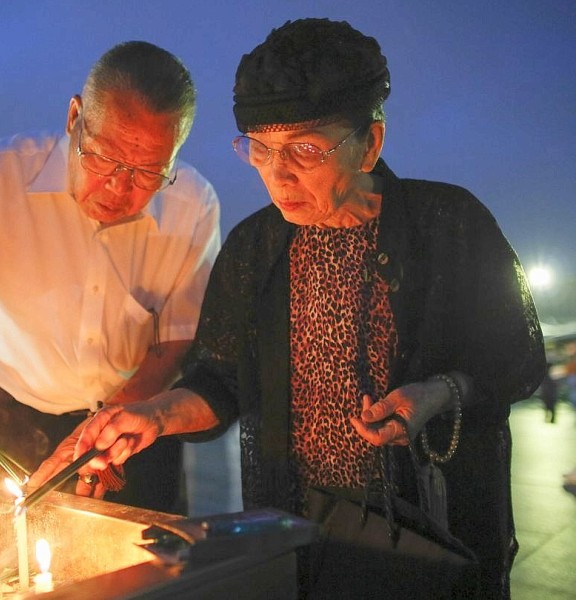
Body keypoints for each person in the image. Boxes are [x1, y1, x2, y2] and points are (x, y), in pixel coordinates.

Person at [67, 18, 546, 598]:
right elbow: (220, 383)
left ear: (370, 142)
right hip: (293, 530)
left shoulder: (447, 223)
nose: (278, 174)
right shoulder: (254, 248)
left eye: (306, 150)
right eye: (261, 150)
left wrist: (437, 393)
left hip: (426, 531)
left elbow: (515, 360)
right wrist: (156, 415)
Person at [0, 41, 221, 513]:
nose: (119, 188)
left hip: (135, 423)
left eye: (148, 173)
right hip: (10, 419)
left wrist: (109, 426)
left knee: (144, 574)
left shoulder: (195, 205)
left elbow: (175, 342)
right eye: (104, 158)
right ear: (74, 118)